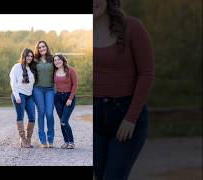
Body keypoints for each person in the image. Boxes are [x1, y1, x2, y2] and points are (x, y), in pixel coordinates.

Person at [93, 0, 155, 179]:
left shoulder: (132, 27)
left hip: (125, 114)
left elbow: (146, 73)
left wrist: (131, 118)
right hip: (94, 118)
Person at [9, 48, 36, 148]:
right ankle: (23, 139)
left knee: (32, 118)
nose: (29, 58)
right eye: (28, 56)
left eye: (31, 56)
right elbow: (13, 82)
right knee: (20, 116)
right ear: (24, 56)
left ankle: (28, 139)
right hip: (19, 94)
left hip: (29, 96)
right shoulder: (17, 67)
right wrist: (16, 96)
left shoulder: (31, 68)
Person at [31, 40, 55, 148]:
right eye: (39, 47)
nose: (41, 48)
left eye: (43, 46)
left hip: (50, 89)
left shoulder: (53, 59)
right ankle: (43, 140)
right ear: (37, 49)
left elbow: (61, 67)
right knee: (41, 112)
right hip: (38, 89)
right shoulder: (35, 61)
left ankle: (51, 138)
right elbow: (25, 67)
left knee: (49, 113)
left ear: (46, 47)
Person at [53, 54, 78, 149]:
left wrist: (70, 98)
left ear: (63, 60)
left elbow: (75, 85)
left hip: (69, 97)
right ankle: (66, 142)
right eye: (55, 60)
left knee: (64, 121)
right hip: (58, 98)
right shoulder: (54, 72)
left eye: (59, 59)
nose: (57, 62)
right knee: (61, 121)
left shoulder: (71, 70)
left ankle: (71, 141)